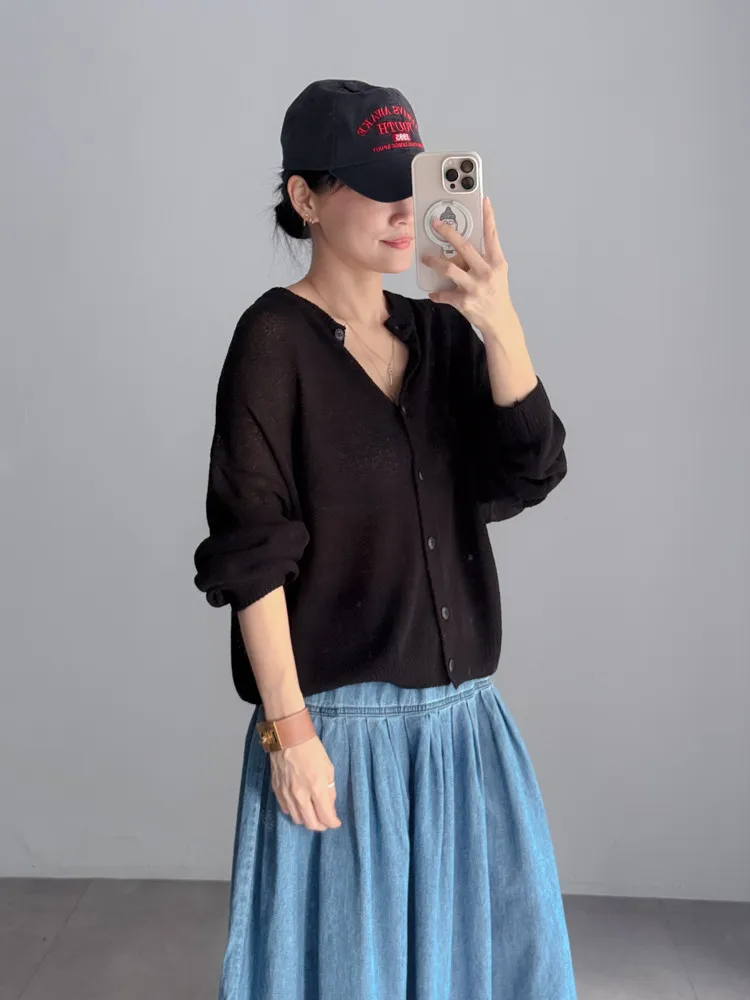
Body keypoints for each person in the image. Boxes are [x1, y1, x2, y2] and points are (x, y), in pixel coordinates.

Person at [193, 79, 577, 1000]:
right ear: (306, 197)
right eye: (376, 186)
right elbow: (253, 553)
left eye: (412, 182)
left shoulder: (441, 335)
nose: (407, 210)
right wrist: (289, 731)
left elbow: (530, 469)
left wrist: (498, 318)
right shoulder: (273, 341)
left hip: (464, 734)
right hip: (340, 734)